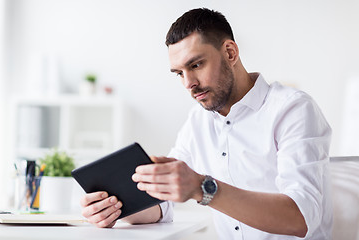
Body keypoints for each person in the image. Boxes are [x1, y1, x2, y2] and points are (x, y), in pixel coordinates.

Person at [80, 8, 332, 239]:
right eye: (179, 73)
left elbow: (300, 218)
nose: (188, 83)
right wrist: (116, 208)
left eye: (196, 65)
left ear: (230, 52)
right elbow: (163, 205)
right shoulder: (198, 120)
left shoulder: (292, 109)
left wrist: (202, 188)